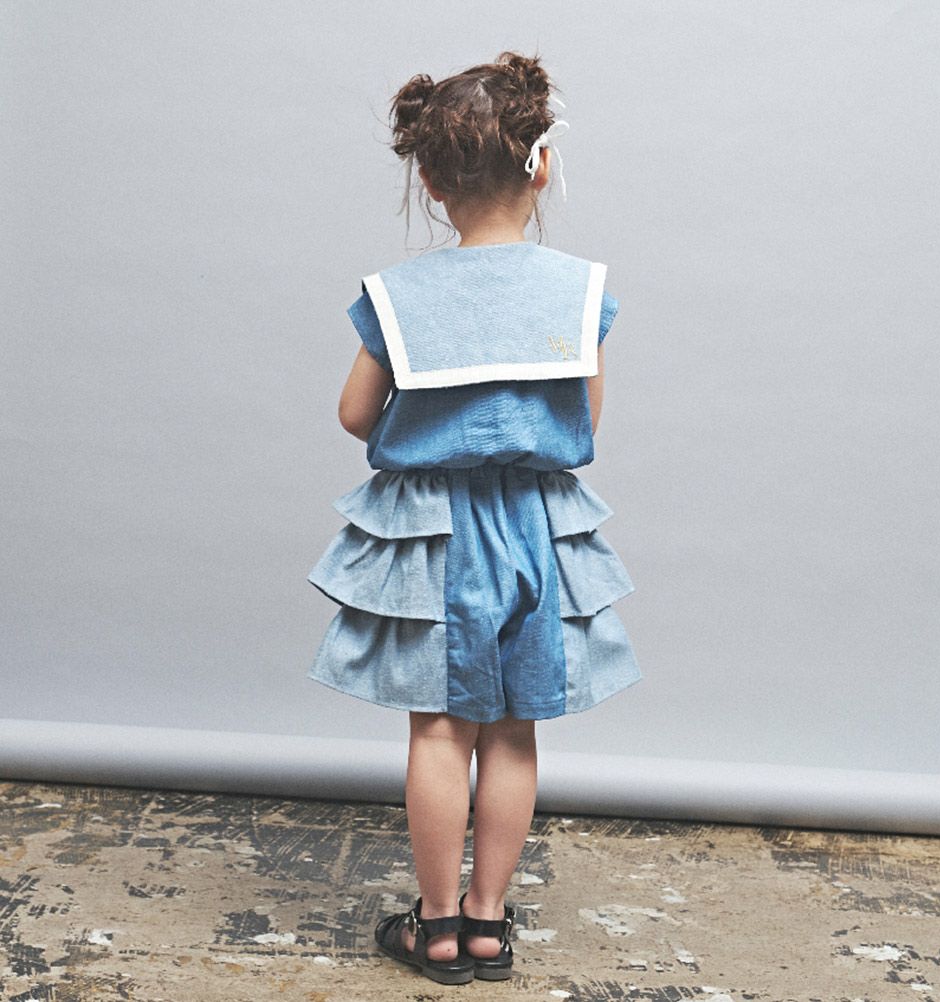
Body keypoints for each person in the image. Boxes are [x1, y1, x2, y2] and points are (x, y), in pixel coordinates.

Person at [307, 50, 641, 986]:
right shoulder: (578, 291)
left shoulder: (398, 295)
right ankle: (490, 922)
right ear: (540, 165)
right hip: (538, 529)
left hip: (435, 537)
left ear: (430, 180)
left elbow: (354, 415)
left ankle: (438, 926)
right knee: (515, 731)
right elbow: (584, 427)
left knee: (439, 731)